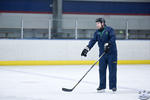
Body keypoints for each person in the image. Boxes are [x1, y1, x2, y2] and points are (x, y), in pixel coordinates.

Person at [81, 18, 117, 92]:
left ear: (102, 23)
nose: (96, 25)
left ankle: (113, 86)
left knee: (112, 70)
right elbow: (93, 41)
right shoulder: (97, 32)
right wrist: (87, 49)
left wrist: (108, 44)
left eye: (98, 23)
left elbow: (113, 38)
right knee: (101, 69)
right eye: (96, 23)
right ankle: (102, 86)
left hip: (111, 53)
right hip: (102, 54)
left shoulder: (109, 30)